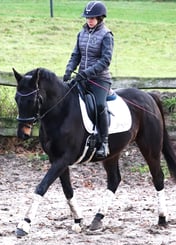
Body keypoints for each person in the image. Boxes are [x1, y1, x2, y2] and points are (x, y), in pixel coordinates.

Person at [63, 1, 114, 159]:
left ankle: (104, 142)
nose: (89, 20)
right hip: (82, 77)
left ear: (100, 18)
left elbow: (105, 60)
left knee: (99, 105)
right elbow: (76, 55)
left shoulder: (106, 35)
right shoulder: (82, 33)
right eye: (87, 17)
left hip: (100, 79)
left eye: (93, 17)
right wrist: (69, 70)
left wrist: (86, 73)